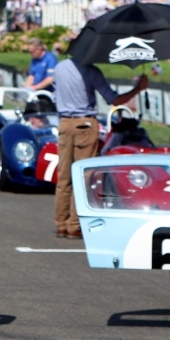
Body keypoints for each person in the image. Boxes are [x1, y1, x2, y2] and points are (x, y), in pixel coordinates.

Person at [50, 53, 148, 239]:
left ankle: (60, 223)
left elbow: (56, 96)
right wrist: (138, 89)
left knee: (64, 176)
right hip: (85, 123)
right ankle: (74, 224)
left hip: (64, 123)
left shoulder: (59, 68)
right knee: (83, 176)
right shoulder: (92, 71)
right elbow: (114, 100)